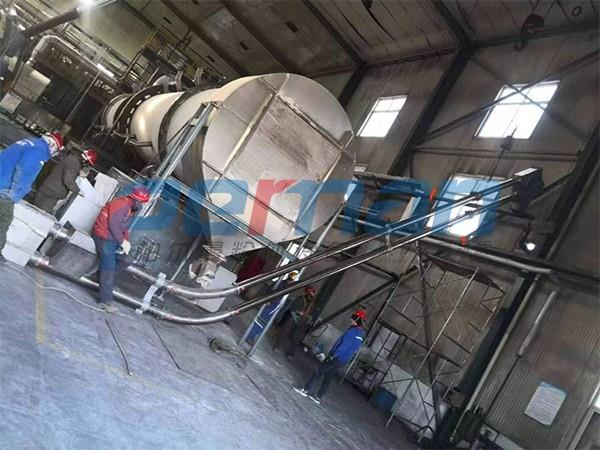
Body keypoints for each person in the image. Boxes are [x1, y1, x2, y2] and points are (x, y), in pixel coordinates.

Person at [0, 132, 63, 260]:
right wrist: (14, 192)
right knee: (4, 219)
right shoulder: (39, 151)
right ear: (53, 146)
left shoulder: (30, 142)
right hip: (4, 187)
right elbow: (25, 171)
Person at [91, 185, 150, 313]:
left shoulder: (131, 208)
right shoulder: (121, 204)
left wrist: (126, 242)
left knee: (127, 260)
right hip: (103, 236)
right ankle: (105, 301)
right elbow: (114, 224)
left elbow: (124, 228)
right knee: (109, 266)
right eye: (142, 203)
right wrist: (122, 241)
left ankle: (99, 279)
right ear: (136, 200)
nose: (142, 206)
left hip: (112, 239)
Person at [293, 309, 367, 404]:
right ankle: (318, 397)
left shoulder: (352, 331)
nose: (351, 320)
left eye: (353, 318)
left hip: (336, 357)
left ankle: (305, 390)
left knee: (319, 371)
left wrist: (334, 355)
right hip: (343, 360)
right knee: (328, 377)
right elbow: (353, 349)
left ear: (357, 319)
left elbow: (344, 346)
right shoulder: (360, 334)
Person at [33, 148, 98, 213]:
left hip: (48, 189)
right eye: (88, 164)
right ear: (85, 160)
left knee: (33, 211)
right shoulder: (75, 163)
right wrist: (78, 191)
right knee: (40, 214)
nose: (86, 166)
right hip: (52, 193)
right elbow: (68, 180)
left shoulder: (72, 159)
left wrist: (77, 173)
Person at [273, 285, 316, 360]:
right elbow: (292, 309)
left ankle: (291, 354)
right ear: (307, 293)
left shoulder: (312, 304)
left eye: (312, 293)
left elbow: (311, 315)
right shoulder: (300, 299)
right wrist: (297, 317)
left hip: (301, 323)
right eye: (310, 293)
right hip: (292, 320)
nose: (311, 295)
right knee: (284, 333)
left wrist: (307, 321)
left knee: (296, 339)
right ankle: (277, 346)